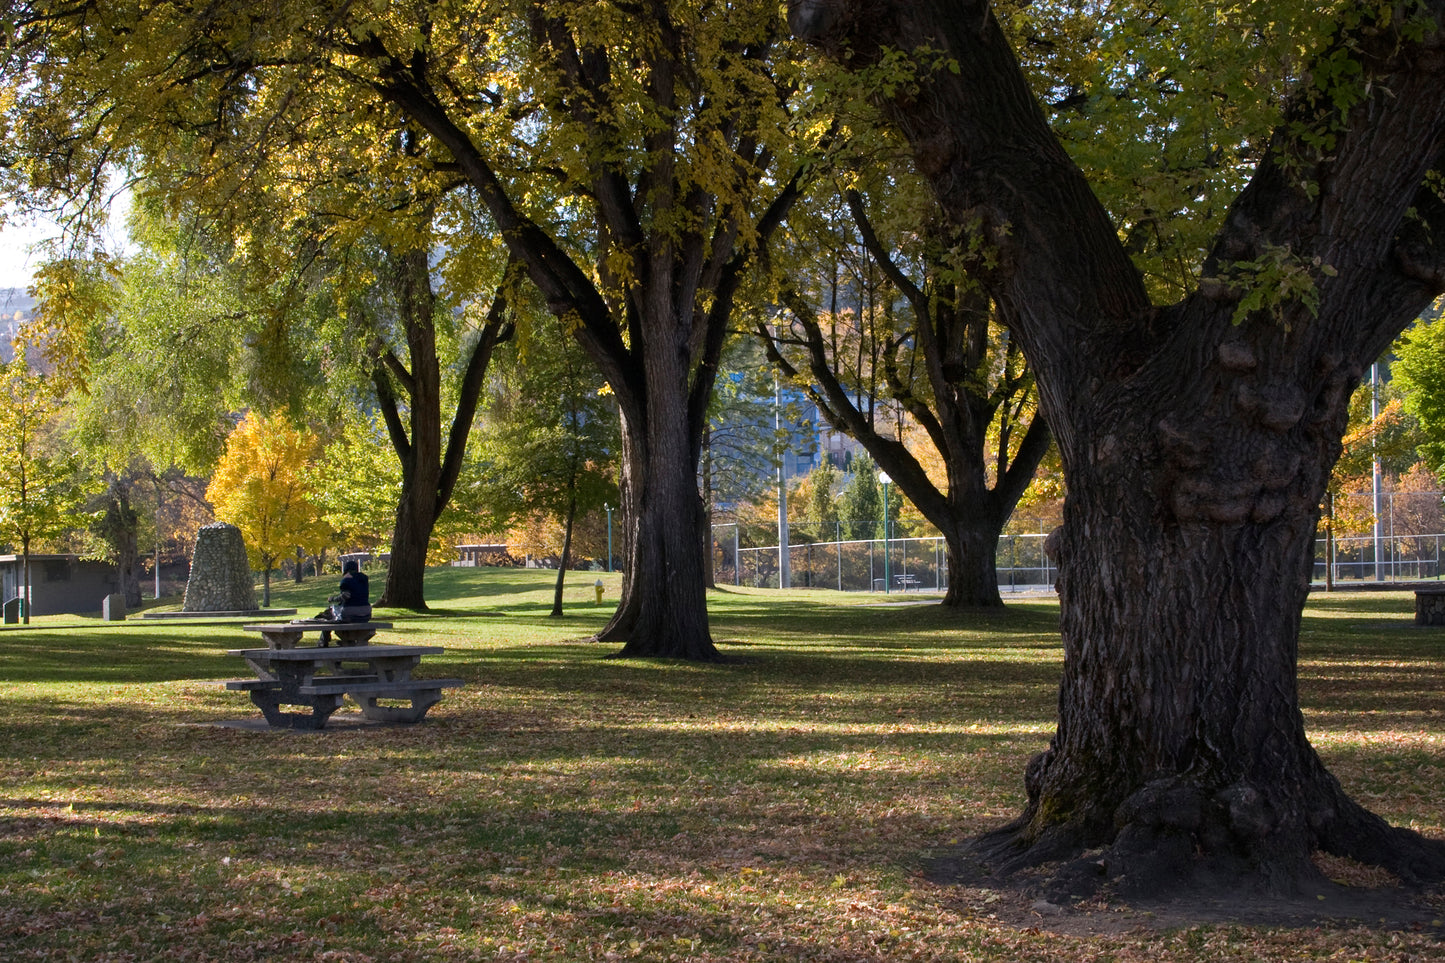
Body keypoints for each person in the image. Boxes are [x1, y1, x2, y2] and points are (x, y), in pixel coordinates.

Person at [317, 559, 372, 645]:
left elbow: (346, 596)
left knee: (328, 614)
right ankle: (348, 641)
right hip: (366, 613)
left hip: (350, 612)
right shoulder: (364, 579)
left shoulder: (346, 579)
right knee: (334, 614)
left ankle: (324, 641)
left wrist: (333, 599)